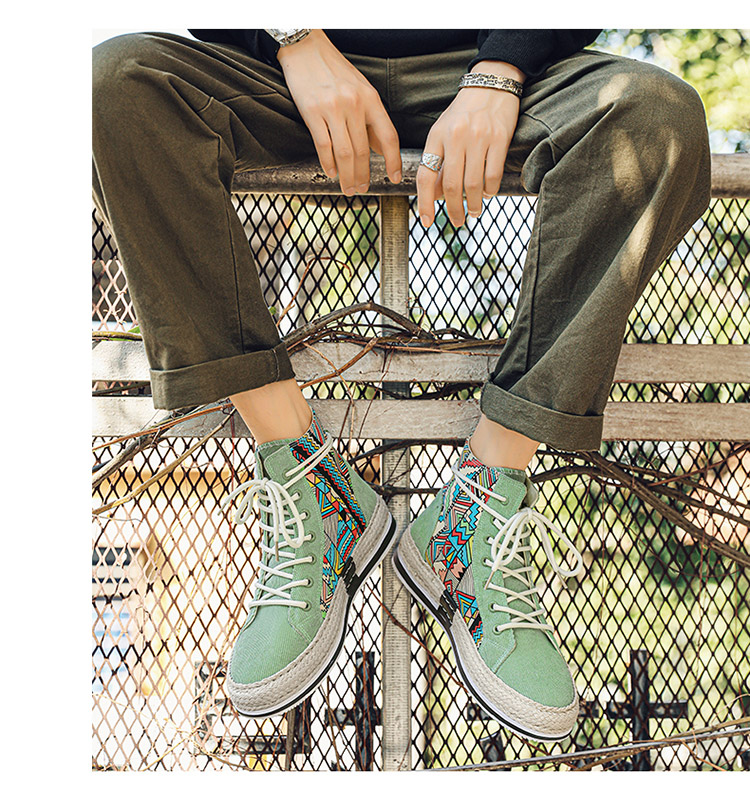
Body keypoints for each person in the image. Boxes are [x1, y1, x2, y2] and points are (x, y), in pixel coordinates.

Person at [92, 28, 711, 742]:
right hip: (288, 75)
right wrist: (294, 37)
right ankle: (310, 483)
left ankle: (475, 509)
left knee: (656, 114)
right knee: (115, 84)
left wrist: (502, 67)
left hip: (491, 68)